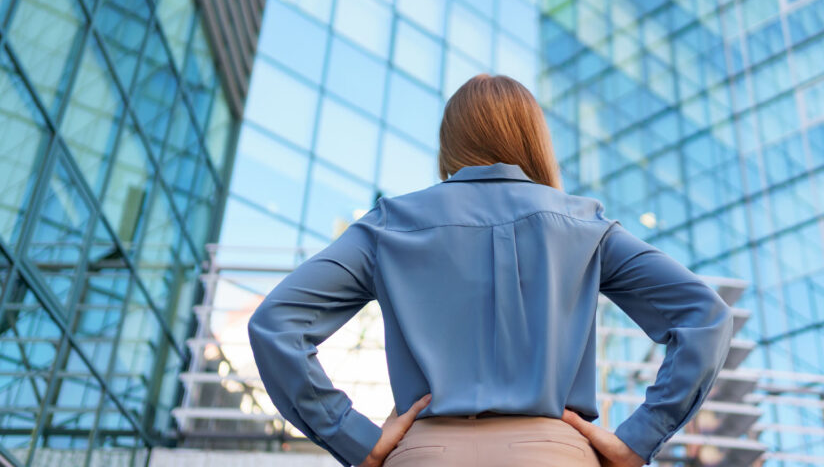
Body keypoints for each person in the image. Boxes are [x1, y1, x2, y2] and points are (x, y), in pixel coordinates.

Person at [247, 74, 735, 467]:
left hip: (425, 454)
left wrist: (353, 436)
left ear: (449, 145)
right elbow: (704, 316)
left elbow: (276, 324)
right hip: (554, 454)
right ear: (533, 141)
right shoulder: (584, 224)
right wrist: (638, 438)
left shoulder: (388, 224)